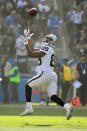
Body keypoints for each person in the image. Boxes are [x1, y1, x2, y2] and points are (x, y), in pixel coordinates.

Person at [20, 29, 73, 120]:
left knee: (28, 85)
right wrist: (28, 39)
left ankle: (29, 108)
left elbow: (31, 54)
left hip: (45, 73)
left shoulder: (47, 48)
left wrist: (25, 43)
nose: (46, 39)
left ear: (51, 41)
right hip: (52, 75)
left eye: (48, 38)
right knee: (53, 95)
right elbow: (32, 49)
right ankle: (67, 108)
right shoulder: (49, 48)